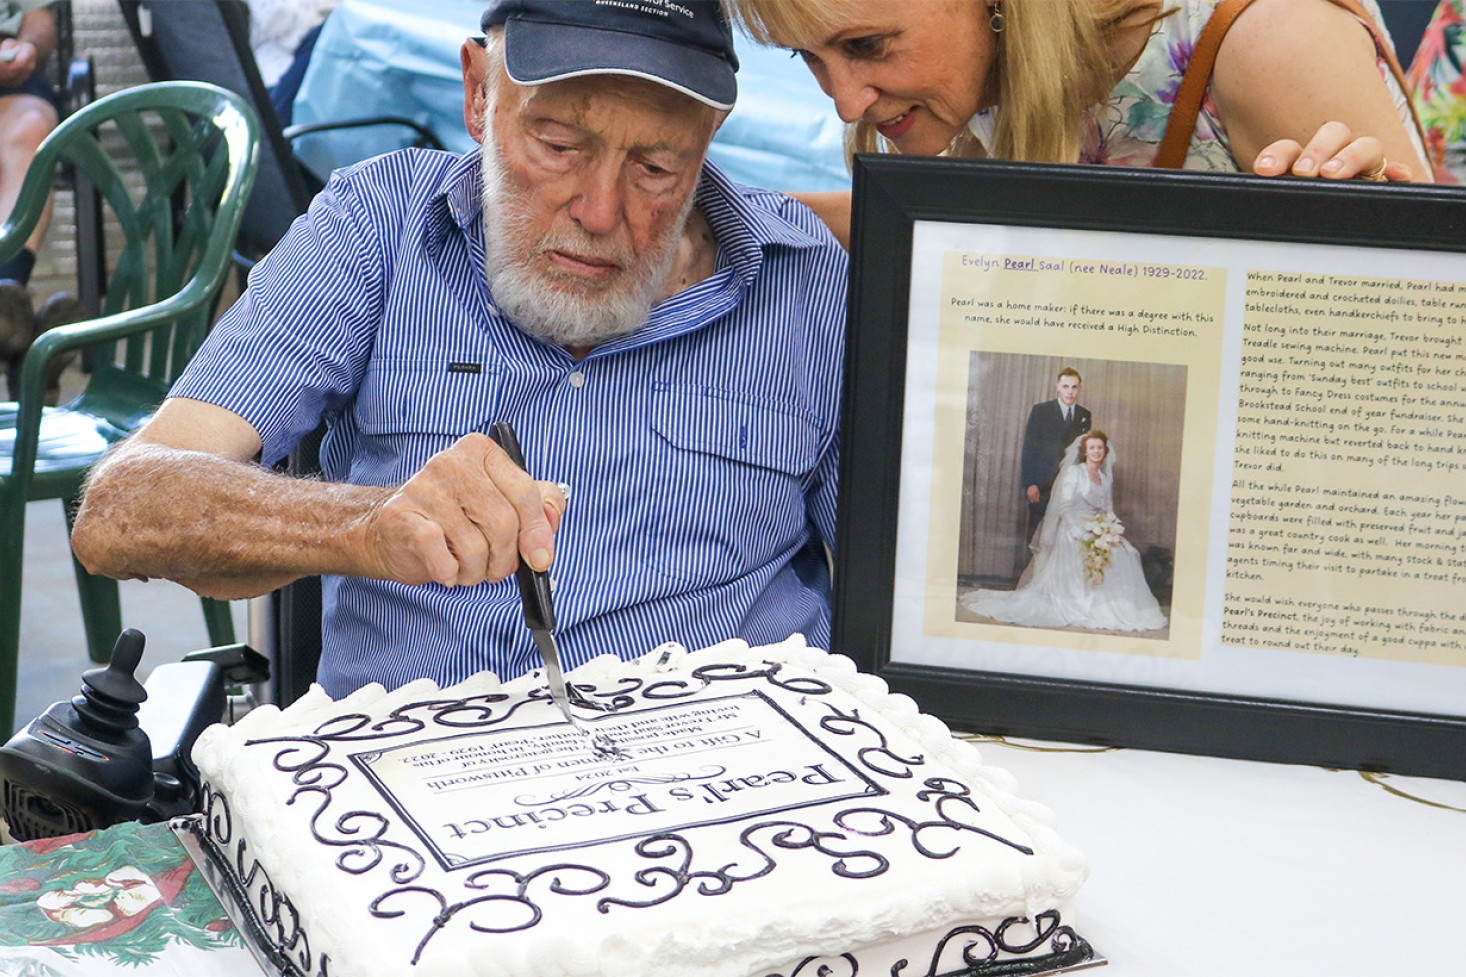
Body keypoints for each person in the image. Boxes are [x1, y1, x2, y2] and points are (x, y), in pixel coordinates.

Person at [70, 0, 849, 698]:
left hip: (729, 798)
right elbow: (122, 508)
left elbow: (919, 606)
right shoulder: (377, 225)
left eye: (656, 167)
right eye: (556, 144)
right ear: (479, 94)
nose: (601, 211)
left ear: (710, 139)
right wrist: (367, 527)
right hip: (415, 801)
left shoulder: (807, 281)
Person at [725, 0, 1434, 247]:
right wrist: (730, 220)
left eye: (866, 46)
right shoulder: (984, 68)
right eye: (806, 57)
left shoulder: (1269, 43)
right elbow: (967, 218)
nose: (845, 103)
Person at [963, 430, 1167, 633]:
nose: (1096, 452)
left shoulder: (1104, 478)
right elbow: (1065, 507)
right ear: (1085, 452)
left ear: (1105, 452)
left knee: (1127, 552)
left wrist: (1111, 529)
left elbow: (1107, 509)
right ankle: (1082, 603)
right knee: (1087, 552)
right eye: (1092, 448)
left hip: (1099, 527)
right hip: (1072, 528)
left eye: (1100, 448)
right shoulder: (1075, 473)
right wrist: (1081, 532)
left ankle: (1117, 606)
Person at [0, 0, 80, 401]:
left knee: (33, 134)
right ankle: (22, 345)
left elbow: (40, 20)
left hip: (11, 80)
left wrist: (23, 48)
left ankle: (6, 291)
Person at [1021, 367, 1090, 541]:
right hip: (1043, 483)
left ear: (1079, 389)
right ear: (1057, 387)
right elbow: (1029, 448)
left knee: (1065, 534)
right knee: (1038, 533)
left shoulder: (1084, 415)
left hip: (1071, 484)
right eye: (1065, 386)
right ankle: (1035, 569)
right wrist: (1031, 483)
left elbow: (1084, 454)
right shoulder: (1041, 411)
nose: (1070, 392)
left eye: (1074, 387)